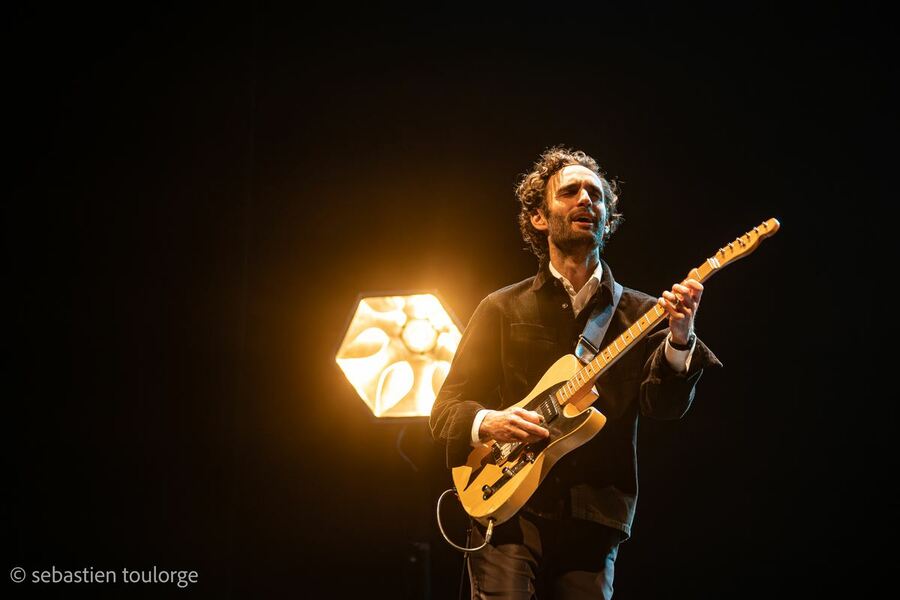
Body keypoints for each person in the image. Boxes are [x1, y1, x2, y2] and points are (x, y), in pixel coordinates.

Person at [429, 146, 722, 599]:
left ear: (608, 218)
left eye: (596, 194)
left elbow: (664, 407)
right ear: (539, 218)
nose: (587, 200)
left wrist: (680, 338)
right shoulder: (502, 307)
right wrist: (489, 421)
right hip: (506, 510)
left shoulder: (644, 313)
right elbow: (445, 408)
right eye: (570, 192)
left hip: (594, 516)